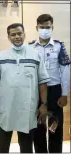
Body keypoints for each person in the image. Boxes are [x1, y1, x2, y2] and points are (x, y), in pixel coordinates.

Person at [0, 23, 49, 153]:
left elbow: (42, 82)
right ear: (8, 37)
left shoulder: (35, 55)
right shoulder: (1, 56)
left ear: (24, 34)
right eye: (13, 34)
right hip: (6, 107)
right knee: (1, 145)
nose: (17, 37)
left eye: (19, 33)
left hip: (27, 108)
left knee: (26, 146)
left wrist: (44, 104)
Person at [29, 14, 70, 153]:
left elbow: (65, 71)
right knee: (38, 126)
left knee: (55, 127)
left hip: (55, 90)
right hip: (36, 91)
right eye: (42, 27)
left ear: (52, 27)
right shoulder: (30, 47)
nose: (44, 30)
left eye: (47, 27)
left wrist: (64, 94)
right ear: (37, 28)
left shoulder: (59, 46)